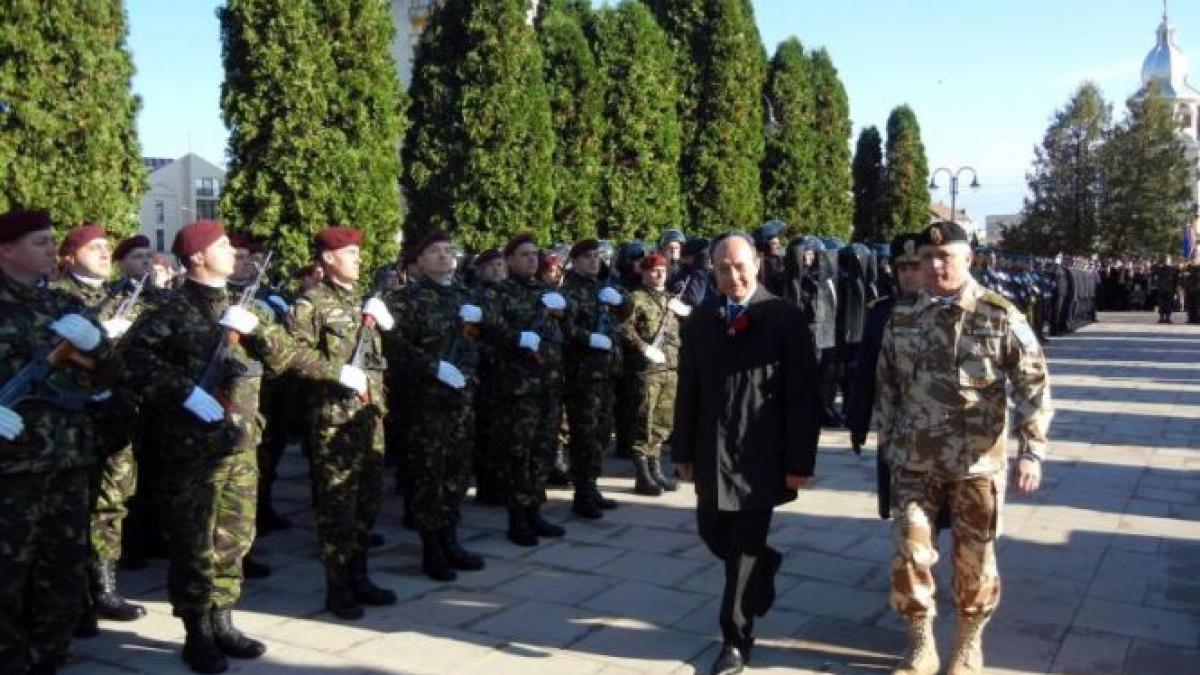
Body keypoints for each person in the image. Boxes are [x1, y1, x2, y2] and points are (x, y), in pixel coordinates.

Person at [120, 219, 339, 672]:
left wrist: (256, 329)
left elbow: (283, 359)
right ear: (197, 256)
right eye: (222, 246)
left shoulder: (248, 305)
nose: (234, 253)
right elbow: (132, 362)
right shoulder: (171, 309)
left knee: (234, 537)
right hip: (191, 449)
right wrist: (182, 390)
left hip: (241, 442)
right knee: (193, 539)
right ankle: (196, 630)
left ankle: (224, 619)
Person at [875, 221, 1052, 675]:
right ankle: (920, 645)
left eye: (944, 257)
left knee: (975, 560)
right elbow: (888, 385)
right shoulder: (904, 316)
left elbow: (1033, 385)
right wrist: (890, 443)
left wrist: (1031, 450)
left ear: (968, 259)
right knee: (909, 554)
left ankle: (968, 645)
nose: (934, 266)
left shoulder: (1000, 315)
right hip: (915, 462)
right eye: (926, 259)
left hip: (976, 464)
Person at [673, 233, 821, 675]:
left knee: (741, 552)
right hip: (711, 451)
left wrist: (799, 463)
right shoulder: (702, 321)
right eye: (722, 268)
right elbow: (689, 390)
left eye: (739, 266)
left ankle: (735, 641)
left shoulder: (783, 317)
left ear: (756, 263)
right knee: (711, 532)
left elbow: (803, 397)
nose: (732, 275)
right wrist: (682, 451)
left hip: (761, 455)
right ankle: (766, 563)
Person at [0, 209, 122, 674]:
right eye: (39, 242)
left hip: (68, 461)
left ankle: (48, 657)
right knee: (8, 577)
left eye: (53, 241)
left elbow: (112, 375)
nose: (52, 250)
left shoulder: (61, 307)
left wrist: (97, 345)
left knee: (63, 573)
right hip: (11, 469)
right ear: (6, 249)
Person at [52, 227, 158, 636]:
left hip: (116, 414)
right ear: (70, 254)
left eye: (105, 248)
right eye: (93, 247)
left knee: (111, 502)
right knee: (72, 509)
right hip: (73, 420)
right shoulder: (57, 296)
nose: (103, 253)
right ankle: (76, 598)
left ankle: (105, 587)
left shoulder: (121, 294)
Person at [291, 226, 398, 621]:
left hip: (370, 416)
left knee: (368, 502)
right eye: (350, 253)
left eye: (357, 252)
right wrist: (335, 371)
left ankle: (361, 576)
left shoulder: (362, 302)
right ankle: (338, 587)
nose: (358, 259)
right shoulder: (310, 304)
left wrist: (388, 326)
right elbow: (291, 357)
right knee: (337, 506)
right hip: (334, 420)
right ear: (328, 259)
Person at [385, 231, 486, 581]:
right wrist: (432, 367)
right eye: (435, 252)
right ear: (420, 260)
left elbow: (473, 346)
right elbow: (394, 346)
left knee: (457, 475)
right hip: (425, 403)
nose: (445, 256)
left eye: (449, 251)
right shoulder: (405, 300)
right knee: (429, 475)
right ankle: (432, 549)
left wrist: (474, 342)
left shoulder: (465, 297)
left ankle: (451, 539)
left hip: (461, 400)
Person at [480, 234, 569, 546]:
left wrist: (563, 310)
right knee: (519, 452)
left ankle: (535, 510)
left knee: (543, 450)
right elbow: (489, 328)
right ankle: (517, 518)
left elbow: (563, 331)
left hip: (549, 383)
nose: (532, 259)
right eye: (524, 255)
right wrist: (516, 337)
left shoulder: (545, 291)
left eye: (535, 255)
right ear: (510, 260)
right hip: (518, 387)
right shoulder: (499, 293)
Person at [844, 233, 923, 520]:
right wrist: (858, 422)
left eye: (916, 267)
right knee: (904, 510)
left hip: (939, 432)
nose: (910, 275)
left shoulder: (945, 311)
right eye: (904, 268)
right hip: (895, 428)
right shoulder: (881, 313)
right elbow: (865, 370)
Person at [560, 238, 625, 518]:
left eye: (597, 256)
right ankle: (582, 493)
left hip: (607, 372)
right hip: (583, 374)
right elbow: (564, 329)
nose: (594, 261)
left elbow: (626, 310)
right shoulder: (568, 292)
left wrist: (622, 300)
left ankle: (593, 485)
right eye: (587, 257)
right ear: (574, 261)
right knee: (584, 434)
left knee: (601, 432)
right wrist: (589, 338)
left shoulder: (603, 287)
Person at [621, 252, 686, 496]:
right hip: (647, 370)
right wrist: (643, 347)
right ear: (644, 273)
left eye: (663, 270)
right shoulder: (635, 298)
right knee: (643, 422)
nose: (659, 274)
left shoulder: (670, 299)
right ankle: (642, 476)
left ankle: (655, 469)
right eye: (654, 271)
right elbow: (623, 327)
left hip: (669, 368)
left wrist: (685, 313)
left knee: (662, 423)